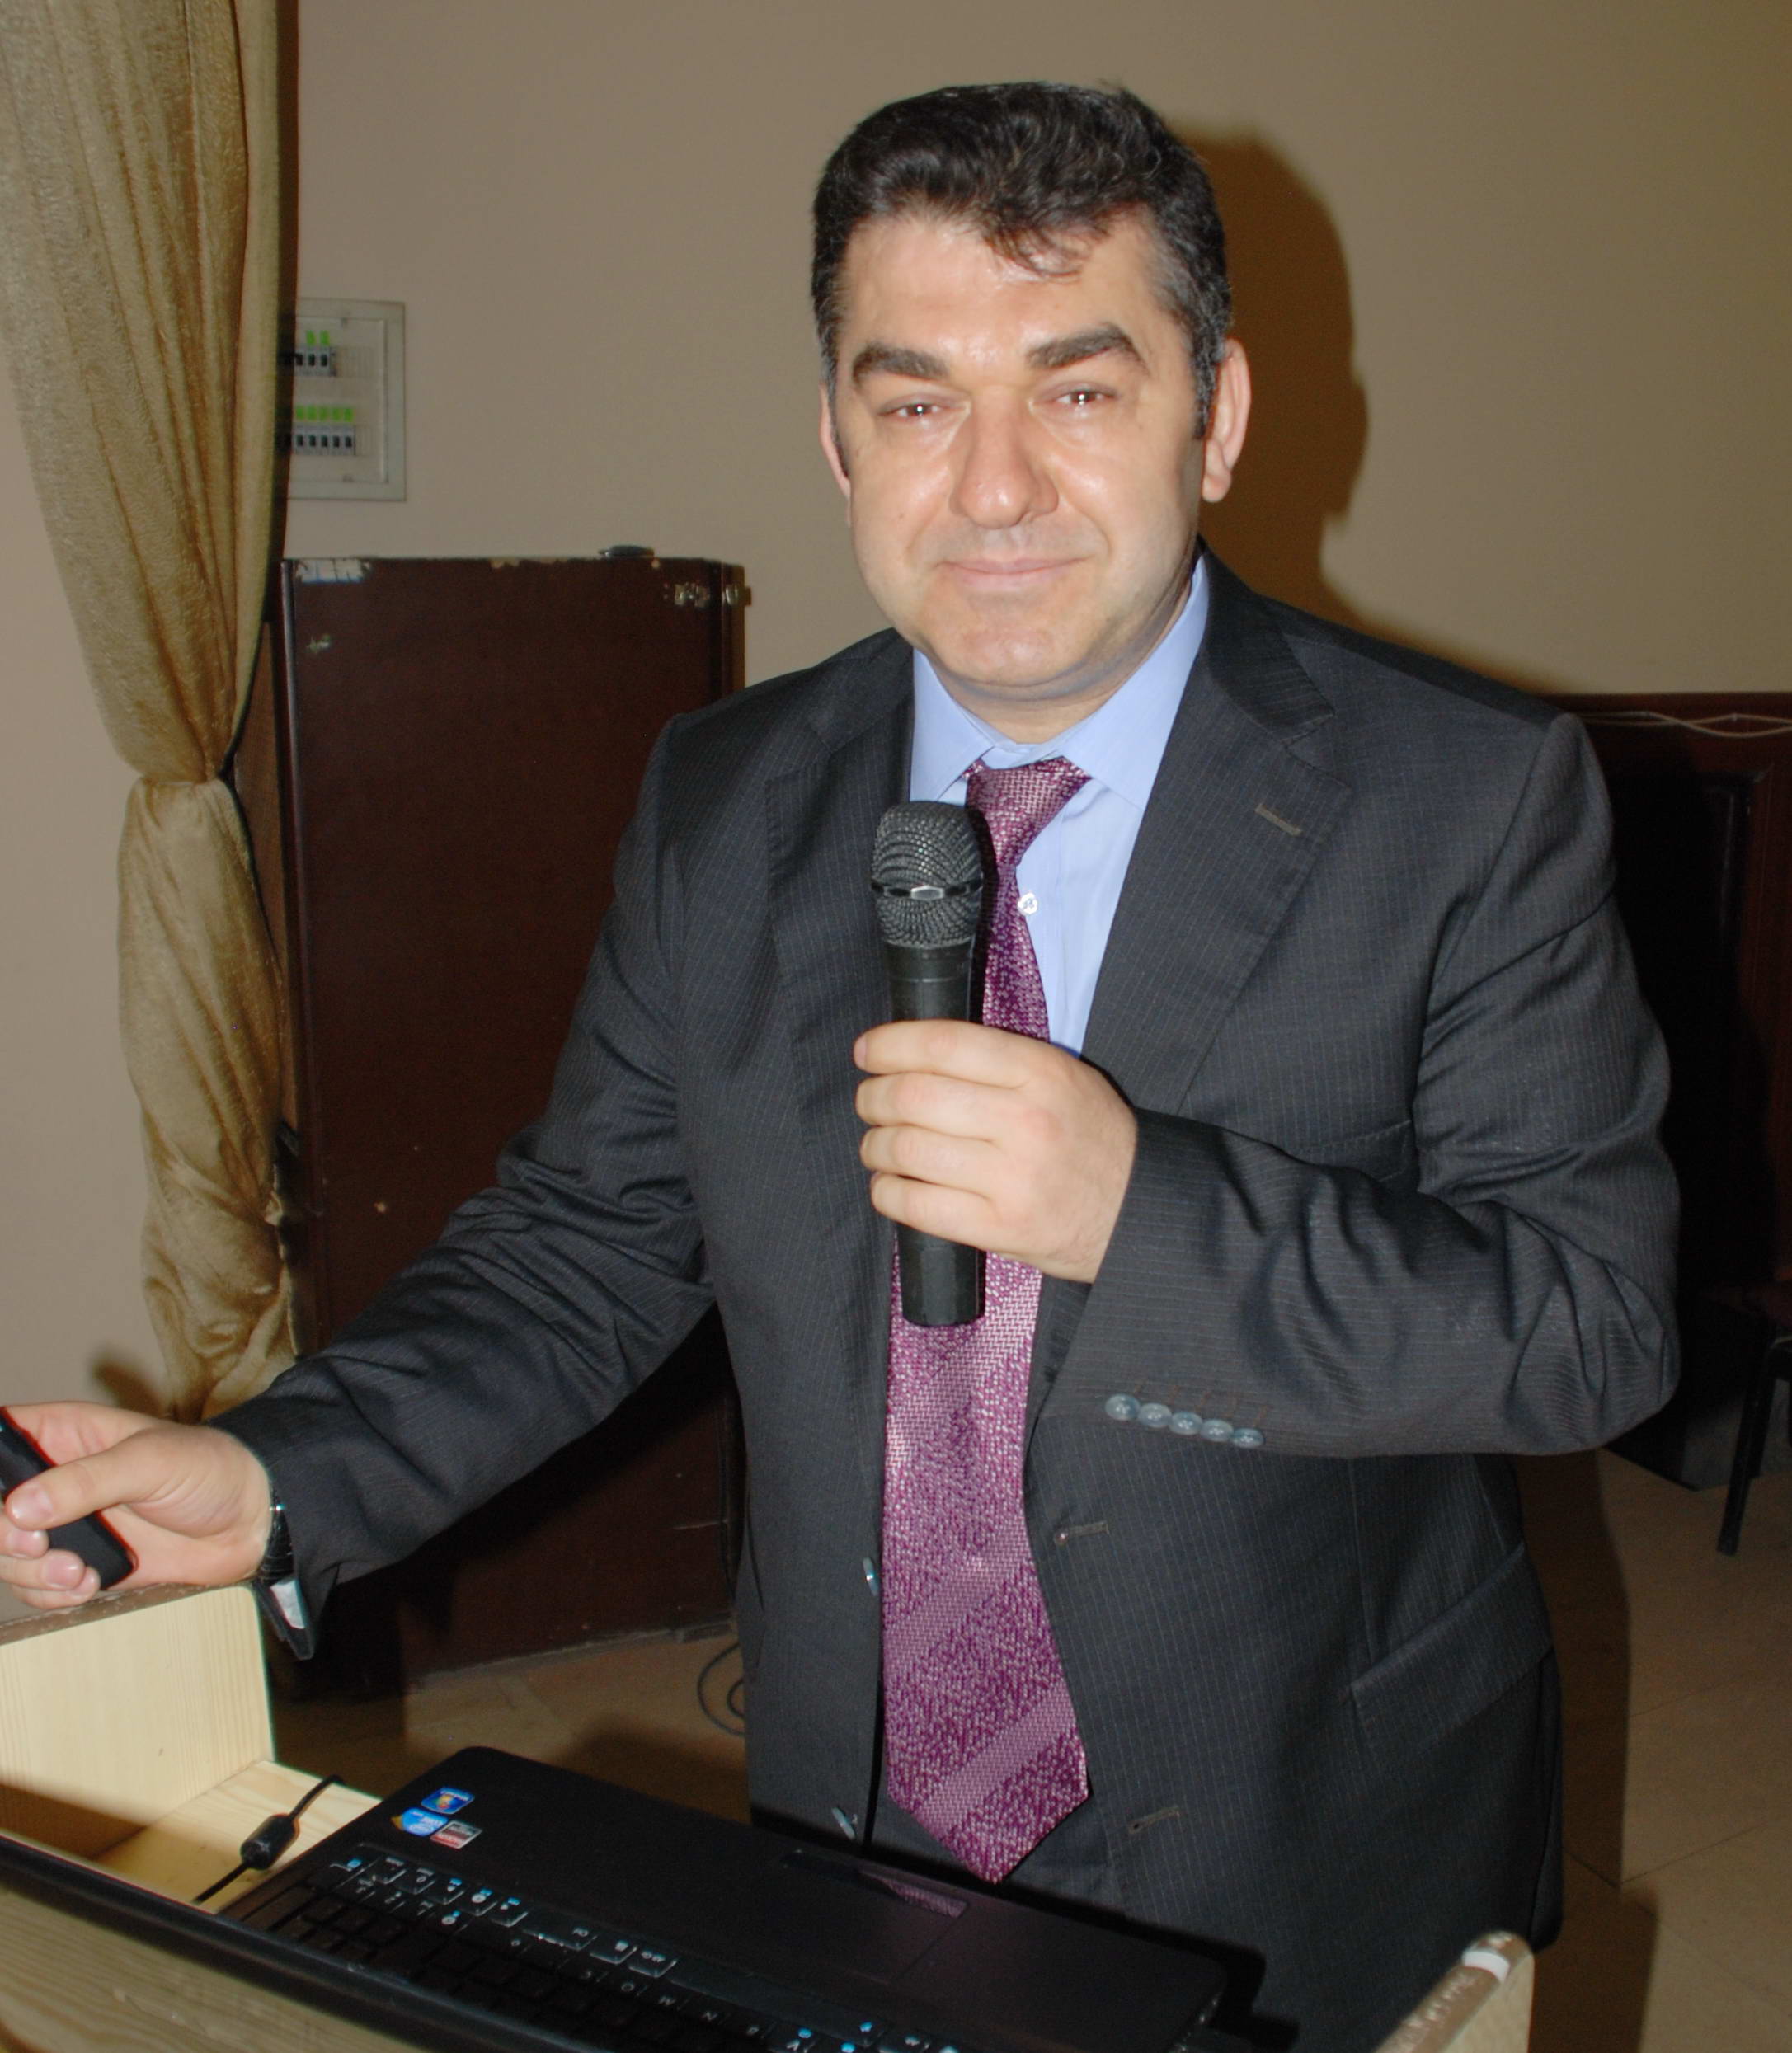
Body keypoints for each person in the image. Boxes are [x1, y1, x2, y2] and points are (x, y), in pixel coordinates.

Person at [0, 83, 1675, 2050]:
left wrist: (1136, 1215)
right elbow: (587, 1244)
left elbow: (1588, 1325)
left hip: (1310, 1806)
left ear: (1213, 417)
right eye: (915, 402)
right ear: (834, 437)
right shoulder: (726, 794)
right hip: (857, 1795)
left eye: (1077, 390)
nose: (992, 488)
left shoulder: (1462, 796)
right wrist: (277, 1476)